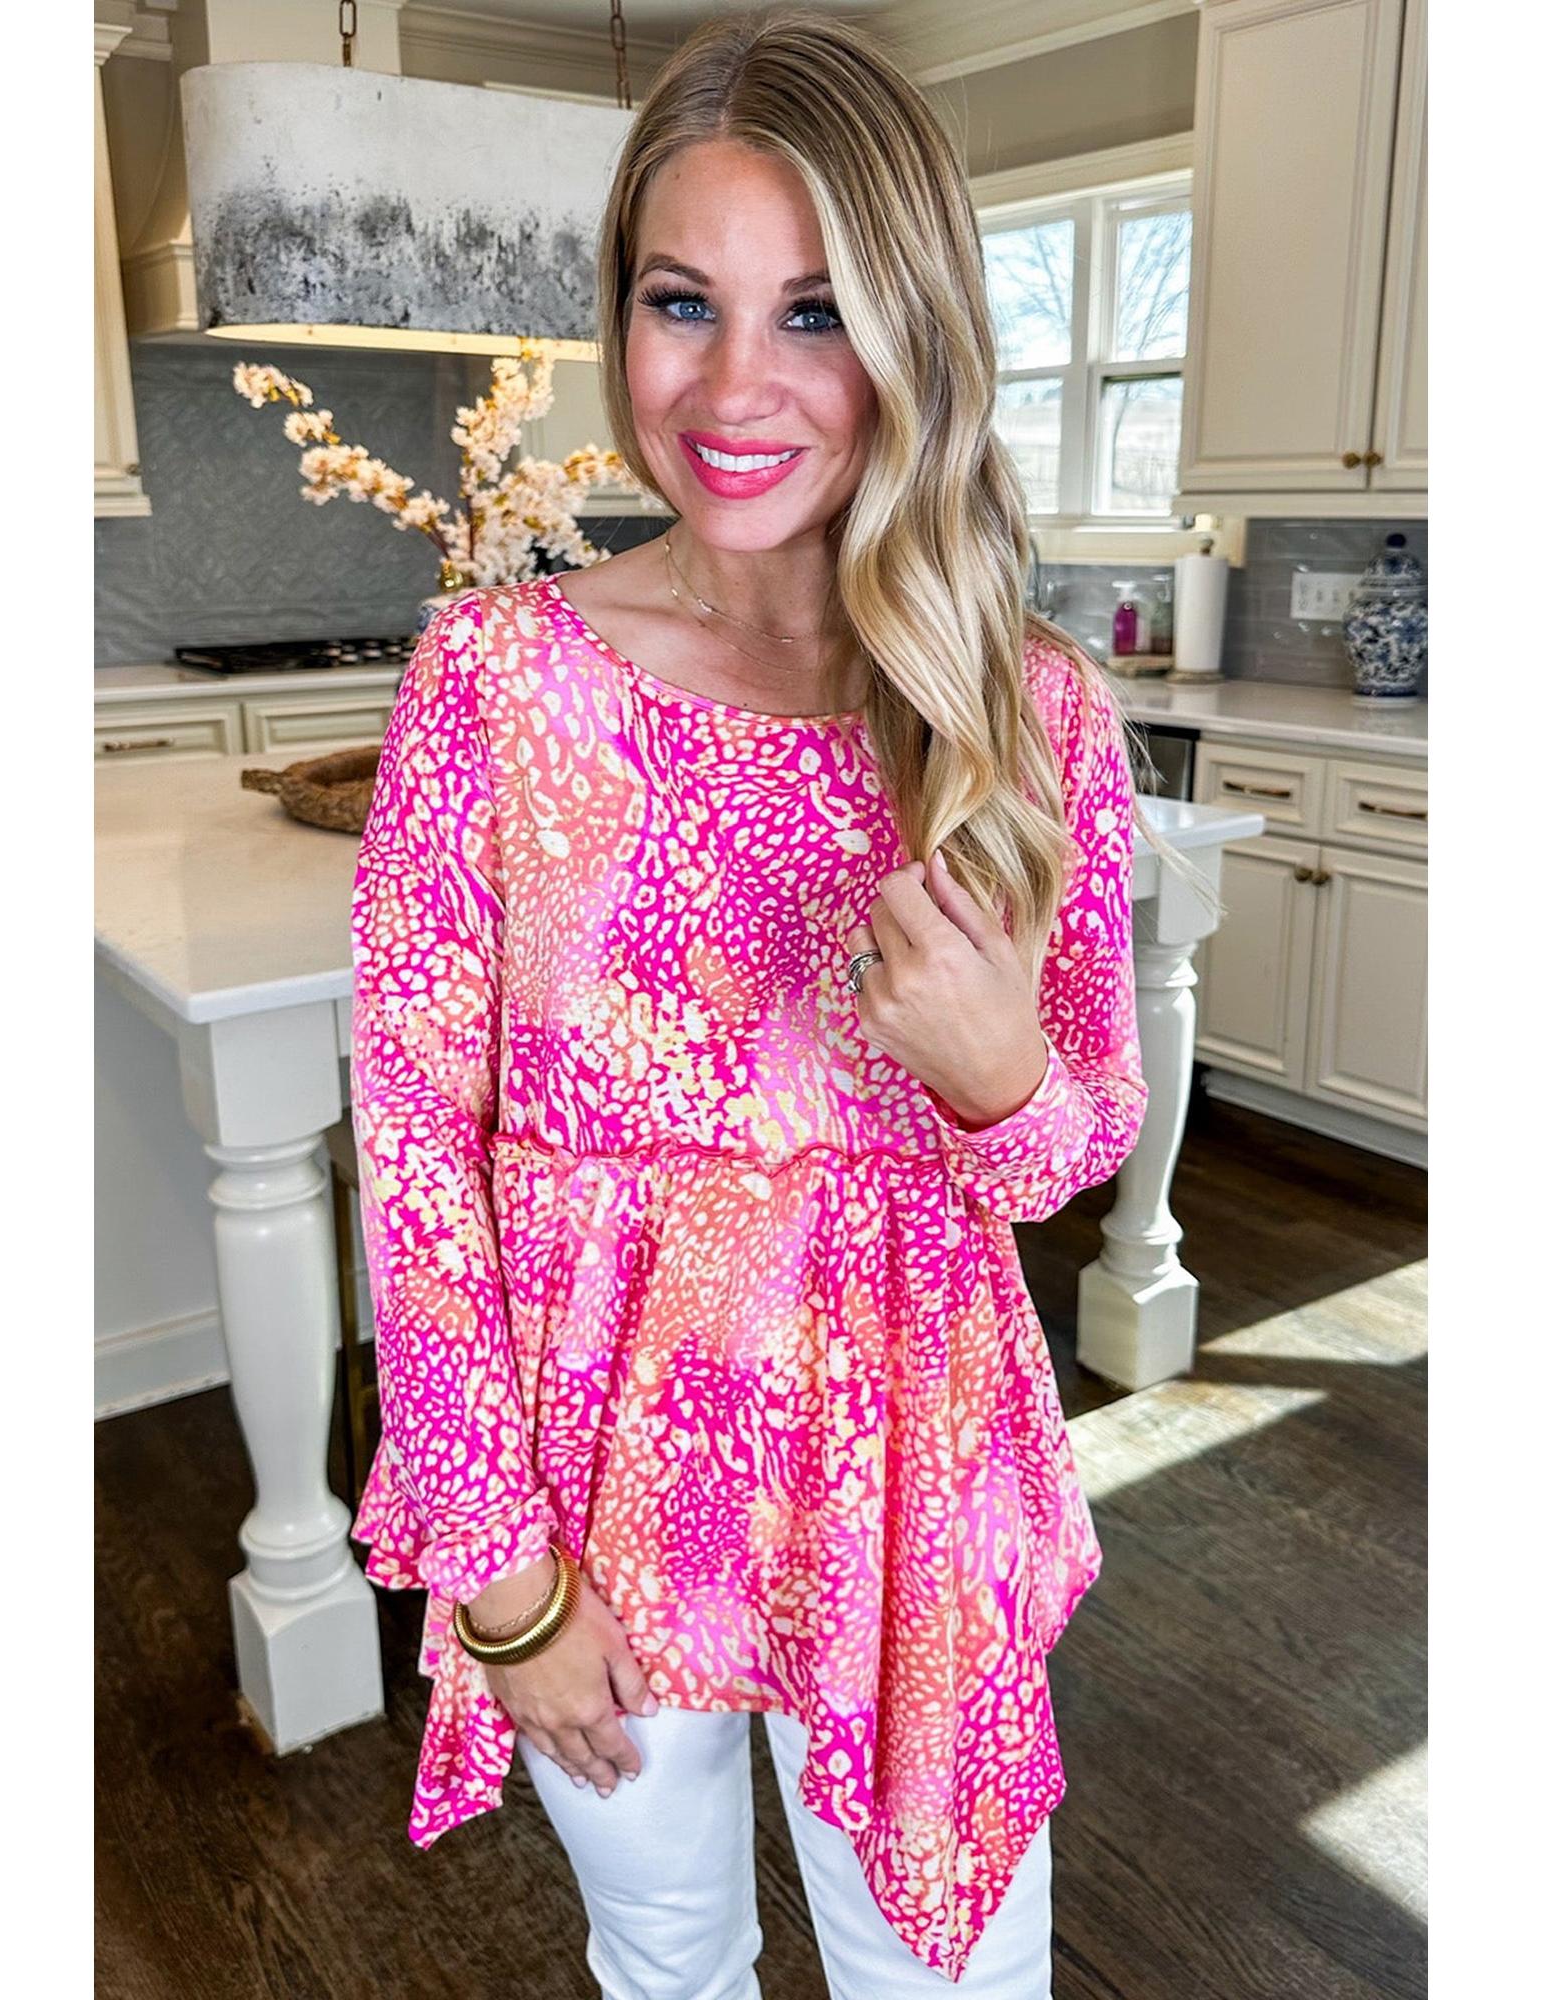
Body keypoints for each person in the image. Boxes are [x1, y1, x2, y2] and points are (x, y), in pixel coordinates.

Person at [347, 8, 1200, 1994]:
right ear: (619, 313)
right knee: (665, 1953)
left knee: (952, 1975)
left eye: (812, 312)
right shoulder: (496, 679)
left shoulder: (1023, 709)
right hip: (597, 1473)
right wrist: (499, 1576)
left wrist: (999, 1076)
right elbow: (415, 1160)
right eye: (684, 302)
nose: (734, 386)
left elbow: (1070, 1146)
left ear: (911, 335)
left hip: (917, 1476)